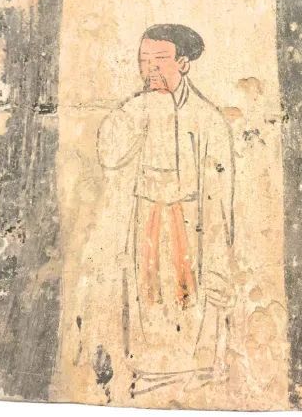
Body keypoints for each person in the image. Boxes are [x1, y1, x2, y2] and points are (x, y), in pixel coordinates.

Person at [97, 24, 235, 396]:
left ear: (183, 63)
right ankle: (150, 370)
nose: (151, 69)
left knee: (194, 303)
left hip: (192, 224)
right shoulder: (138, 108)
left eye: (160, 60)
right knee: (147, 299)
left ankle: (194, 373)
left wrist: (218, 258)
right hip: (147, 219)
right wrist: (139, 109)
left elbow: (219, 196)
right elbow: (109, 154)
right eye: (144, 60)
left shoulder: (207, 119)